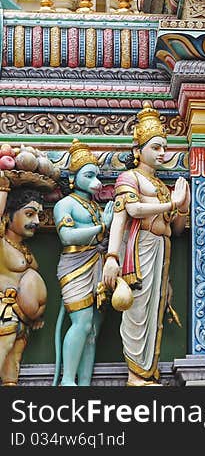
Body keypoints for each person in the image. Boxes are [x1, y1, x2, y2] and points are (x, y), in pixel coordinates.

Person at [101, 102, 190, 386]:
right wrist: (112, 257)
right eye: (156, 147)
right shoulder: (129, 178)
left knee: (155, 311)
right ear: (138, 150)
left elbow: (176, 230)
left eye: (164, 147)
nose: (162, 153)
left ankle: (148, 372)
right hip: (138, 253)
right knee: (137, 312)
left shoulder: (164, 187)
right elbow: (128, 213)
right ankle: (136, 375)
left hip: (161, 251)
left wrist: (183, 207)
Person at [52, 139, 114, 386]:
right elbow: (66, 236)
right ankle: (68, 381)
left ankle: (84, 383)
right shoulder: (65, 204)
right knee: (82, 322)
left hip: (97, 264)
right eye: (88, 176)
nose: (95, 182)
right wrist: (102, 226)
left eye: (96, 176)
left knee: (93, 330)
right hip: (75, 265)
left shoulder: (96, 206)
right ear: (74, 177)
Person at [0, 181, 48, 385]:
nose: (36, 221)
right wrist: (3, 189)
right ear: (8, 215)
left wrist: (35, 314)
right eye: (29, 214)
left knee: (13, 363)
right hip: (6, 314)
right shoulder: (2, 242)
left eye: (38, 215)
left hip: (23, 319)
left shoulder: (22, 248)